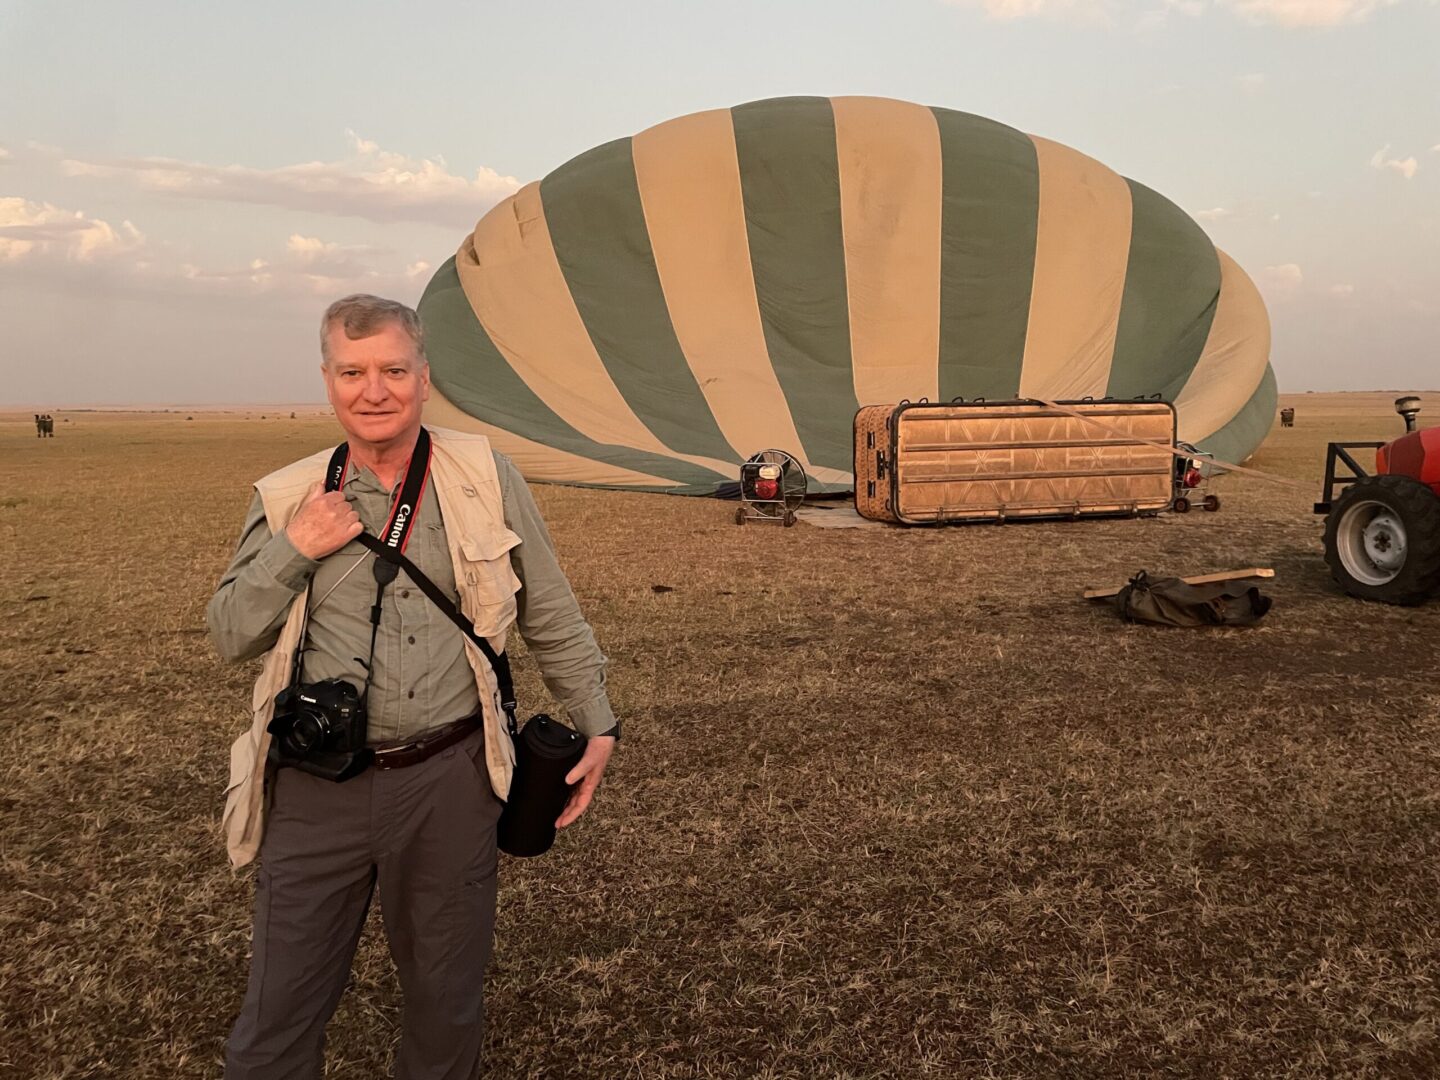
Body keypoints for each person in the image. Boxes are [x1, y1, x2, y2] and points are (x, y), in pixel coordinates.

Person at [208, 294, 620, 1079]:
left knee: (445, 1001)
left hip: (449, 781)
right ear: (327, 381)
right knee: (278, 1011)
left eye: (393, 370)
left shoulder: (482, 476)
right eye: (353, 372)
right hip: (316, 789)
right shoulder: (288, 495)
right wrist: (294, 548)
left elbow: (550, 609)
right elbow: (229, 631)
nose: (375, 390)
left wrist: (597, 722)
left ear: (424, 378)